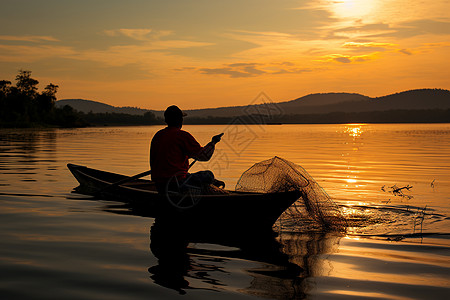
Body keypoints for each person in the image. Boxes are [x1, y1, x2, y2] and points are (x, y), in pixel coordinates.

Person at [150, 105, 224, 194]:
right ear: (180, 120)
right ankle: (211, 186)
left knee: (190, 175)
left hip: (160, 185)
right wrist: (213, 142)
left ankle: (212, 185)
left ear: (166, 120)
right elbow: (204, 156)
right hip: (177, 184)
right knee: (208, 175)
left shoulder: (158, 136)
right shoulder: (182, 136)